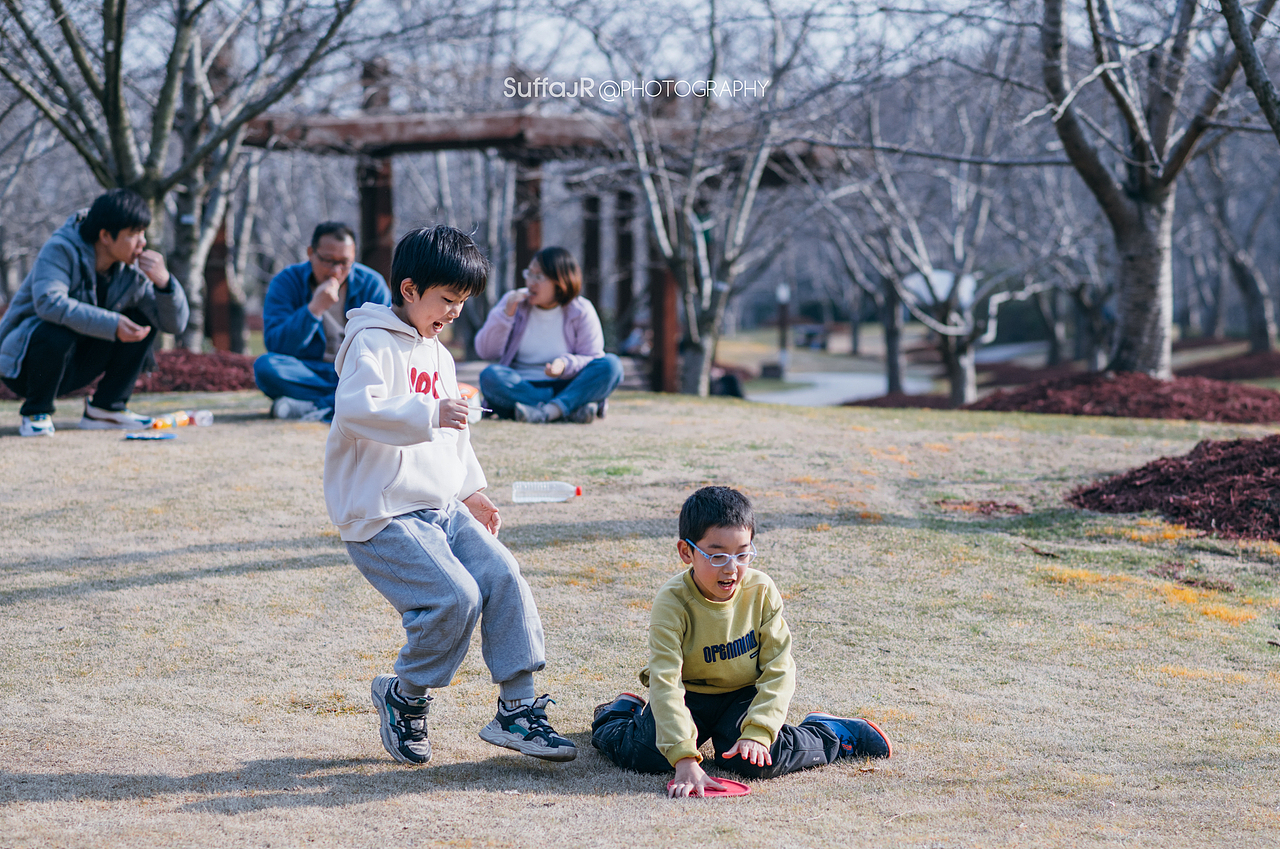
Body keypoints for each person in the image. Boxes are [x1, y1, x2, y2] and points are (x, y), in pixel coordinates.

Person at [324, 225, 576, 766]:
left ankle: (518, 709)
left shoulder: (439, 354)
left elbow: (455, 435)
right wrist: (429, 411)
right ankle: (405, 695)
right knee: (456, 597)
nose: (456, 311)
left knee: (504, 575)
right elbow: (354, 411)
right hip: (382, 514)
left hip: (441, 507)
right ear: (409, 289)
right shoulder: (371, 341)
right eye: (448, 299)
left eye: (463, 301)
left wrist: (473, 491)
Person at [591, 486, 892, 797]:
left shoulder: (761, 591)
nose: (731, 567)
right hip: (689, 694)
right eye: (717, 555)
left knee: (760, 761)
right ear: (686, 552)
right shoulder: (672, 602)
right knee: (643, 756)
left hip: (742, 695)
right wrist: (683, 758)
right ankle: (619, 712)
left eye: (742, 554)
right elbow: (666, 681)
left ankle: (833, 732)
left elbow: (779, 668)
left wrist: (759, 731)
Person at [0, 188, 189, 437]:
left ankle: (106, 408)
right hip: (23, 365)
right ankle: (36, 412)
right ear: (105, 236)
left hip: (75, 365)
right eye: (134, 234)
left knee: (142, 320)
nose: (142, 242)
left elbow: (174, 325)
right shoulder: (61, 249)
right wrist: (113, 324)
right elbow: (49, 303)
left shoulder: (132, 272)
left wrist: (165, 284)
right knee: (56, 329)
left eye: (143, 233)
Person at [255, 221, 391, 421]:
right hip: (310, 370)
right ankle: (347, 403)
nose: (336, 271)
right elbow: (277, 345)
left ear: (354, 257)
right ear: (311, 253)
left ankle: (315, 407)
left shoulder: (371, 284)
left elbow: (387, 343)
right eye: (328, 261)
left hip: (356, 370)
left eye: (344, 262)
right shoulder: (286, 282)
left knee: (387, 374)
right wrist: (313, 309)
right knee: (266, 367)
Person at [474, 246, 623, 424]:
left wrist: (564, 364)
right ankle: (568, 408)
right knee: (490, 375)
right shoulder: (513, 303)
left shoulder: (581, 310)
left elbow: (592, 357)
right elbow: (485, 351)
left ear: (560, 282)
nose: (530, 282)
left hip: (567, 384)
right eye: (529, 274)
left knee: (612, 365)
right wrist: (506, 315)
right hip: (521, 385)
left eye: (539, 276)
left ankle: (545, 411)